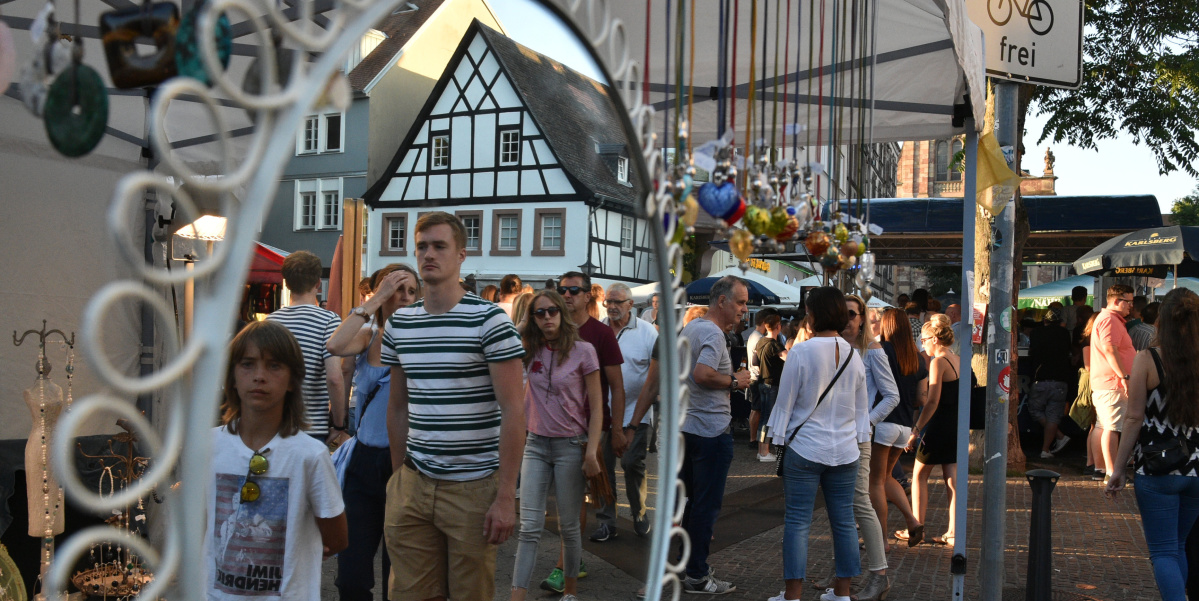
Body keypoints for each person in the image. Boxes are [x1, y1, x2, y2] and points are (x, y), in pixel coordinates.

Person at [380, 212, 526, 601]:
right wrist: (398, 479)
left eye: (439, 246)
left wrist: (505, 496)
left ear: (461, 255)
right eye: (422, 246)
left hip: (474, 487)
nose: (429, 254)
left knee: (469, 595)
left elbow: (514, 411)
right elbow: (397, 407)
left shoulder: (490, 320)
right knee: (408, 595)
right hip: (413, 483)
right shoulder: (401, 324)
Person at [206, 320, 347, 600]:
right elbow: (198, 526)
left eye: (274, 365)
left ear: (293, 379)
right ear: (231, 377)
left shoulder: (310, 455)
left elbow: (336, 539)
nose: (259, 376)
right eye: (247, 364)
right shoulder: (208, 446)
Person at [766, 287, 868, 601]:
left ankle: (793, 595)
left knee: (797, 521)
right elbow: (861, 409)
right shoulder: (854, 355)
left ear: (814, 314)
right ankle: (842, 593)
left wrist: (776, 439)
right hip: (846, 450)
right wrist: (861, 441)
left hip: (805, 448)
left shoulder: (802, 351)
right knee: (844, 522)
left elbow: (785, 402)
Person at [326, 264, 420, 601]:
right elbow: (334, 346)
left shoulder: (426, 339)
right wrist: (374, 300)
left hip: (408, 464)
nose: (405, 297)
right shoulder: (370, 335)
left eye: (411, 291)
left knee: (399, 578)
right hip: (365, 462)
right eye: (397, 289)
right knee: (351, 577)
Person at [1106, 288, 1199, 600]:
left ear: (1161, 322)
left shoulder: (1149, 359)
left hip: (1158, 467)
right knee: (1179, 545)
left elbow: (1133, 419)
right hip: (1197, 469)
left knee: (1163, 552)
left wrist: (1118, 468)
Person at [511, 290, 603, 601]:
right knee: (529, 527)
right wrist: (524, 323)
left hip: (570, 445)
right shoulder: (529, 348)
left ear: (562, 313)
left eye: (552, 311)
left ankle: (571, 593)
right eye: (540, 313)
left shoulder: (583, 351)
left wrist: (591, 451)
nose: (547, 317)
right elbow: (502, 343)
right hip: (535, 444)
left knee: (569, 526)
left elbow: (597, 407)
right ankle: (517, 596)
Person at [678, 276, 752, 594]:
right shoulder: (711, 332)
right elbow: (702, 374)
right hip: (709, 432)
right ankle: (697, 574)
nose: (744, 310)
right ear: (722, 301)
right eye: (741, 302)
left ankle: (688, 567)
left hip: (688, 428)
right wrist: (736, 381)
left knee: (693, 505)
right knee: (705, 507)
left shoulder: (692, 328)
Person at [831, 293, 899, 601]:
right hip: (831, 436)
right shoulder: (833, 347)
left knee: (860, 503)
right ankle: (842, 572)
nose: (847, 320)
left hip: (858, 438)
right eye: (841, 314)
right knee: (838, 507)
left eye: (852, 314)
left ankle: (879, 574)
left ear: (862, 319)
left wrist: (866, 422)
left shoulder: (872, 350)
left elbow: (891, 395)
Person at [554, 272, 626, 546]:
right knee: (569, 494)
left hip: (594, 426)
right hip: (558, 426)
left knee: (598, 481)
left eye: (574, 290)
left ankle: (607, 524)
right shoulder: (552, 328)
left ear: (587, 296)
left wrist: (617, 428)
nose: (567, 295)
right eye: (562, 291)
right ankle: (571, 555)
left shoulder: (601, 333)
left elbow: (617, 387)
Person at [266, 250, 346, 443]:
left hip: (273, 424)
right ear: (318, 284)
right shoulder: (329, 320)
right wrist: (339, 424)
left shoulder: (270, 322)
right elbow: (334, 378)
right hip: (312, 427)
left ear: (286, 283)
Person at [602, 283, 659, 536]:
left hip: (636, 412)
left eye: (617, 302)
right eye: (608, 302)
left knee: (631, 462)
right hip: (602, 414)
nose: (612, 307)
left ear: (630, 305)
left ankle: (638, 512)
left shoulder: (648, 333)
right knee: (603, 467)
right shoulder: (598, 330)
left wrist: (636, 422)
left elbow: (654, 379)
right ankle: (607, 520)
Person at [871, 308, 928, 547]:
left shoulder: (882, 350)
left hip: (883, 422)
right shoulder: (917, 358)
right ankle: (912, 520)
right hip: (905, 426)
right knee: (886, 477)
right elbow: (921, 397)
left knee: (873, 482)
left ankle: (880, 538)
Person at [910, 320, 961, 548]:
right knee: (952, 481)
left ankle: (916, 525)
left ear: (935, 340)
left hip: (939, 425)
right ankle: (953, 531)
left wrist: (917, 429)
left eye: (923, 340)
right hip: (954, 424)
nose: (922, 345)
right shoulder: (958, 359)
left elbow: (931, 402)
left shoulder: (938, 362)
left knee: (919, 474)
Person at [1091, 284, 1136, 483]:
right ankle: (1111, 472)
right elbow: (1110, 350)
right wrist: (1124, 376)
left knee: (1103, 426)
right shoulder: (1110, 320)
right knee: (1112, 427)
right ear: (1117, 301)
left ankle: (1101, 468)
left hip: (1106, 382)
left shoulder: (1108, 319)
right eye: (1128, 302)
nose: (1131, 307)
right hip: (1112, 382)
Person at [1028, 307, 1074, 458]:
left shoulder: (1036, 333)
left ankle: (1058, 438)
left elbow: (1032, 354)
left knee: (1035, 410)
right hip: (1061, 379)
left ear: (1045, 320)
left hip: (1040, 378)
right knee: (1054, 415)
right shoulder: (1065, 333)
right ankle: (1045, 449)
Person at [754, 311, 786, 462]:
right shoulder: (774, 344)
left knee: (764, 417)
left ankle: (761, 451)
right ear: (778, 326)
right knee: (768, 418)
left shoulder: (760, 342)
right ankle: (765, 452)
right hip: (772, 384)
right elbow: (790, 358)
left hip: (762, 382)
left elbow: (755, 362)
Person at [746, 310, 771, 450]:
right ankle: (753, 439)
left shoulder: (754, 336)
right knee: (757, 409)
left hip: (754, 377)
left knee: (756, 409)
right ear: (764, 322)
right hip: (757, 378)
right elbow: (757, 362)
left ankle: (753, 438)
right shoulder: (758, 338)